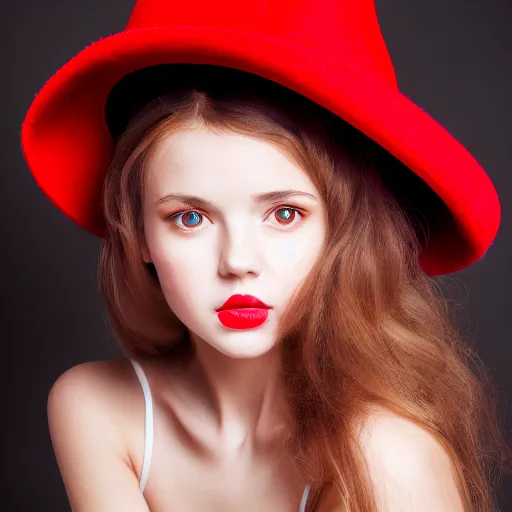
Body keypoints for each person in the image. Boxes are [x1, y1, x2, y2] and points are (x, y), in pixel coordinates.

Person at [21, 1, 511, 511]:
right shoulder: (97, 408)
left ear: (340, 232)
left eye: (283, 215)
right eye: (190, 217)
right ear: (139, 235)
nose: (238, 262)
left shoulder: (387, 458)